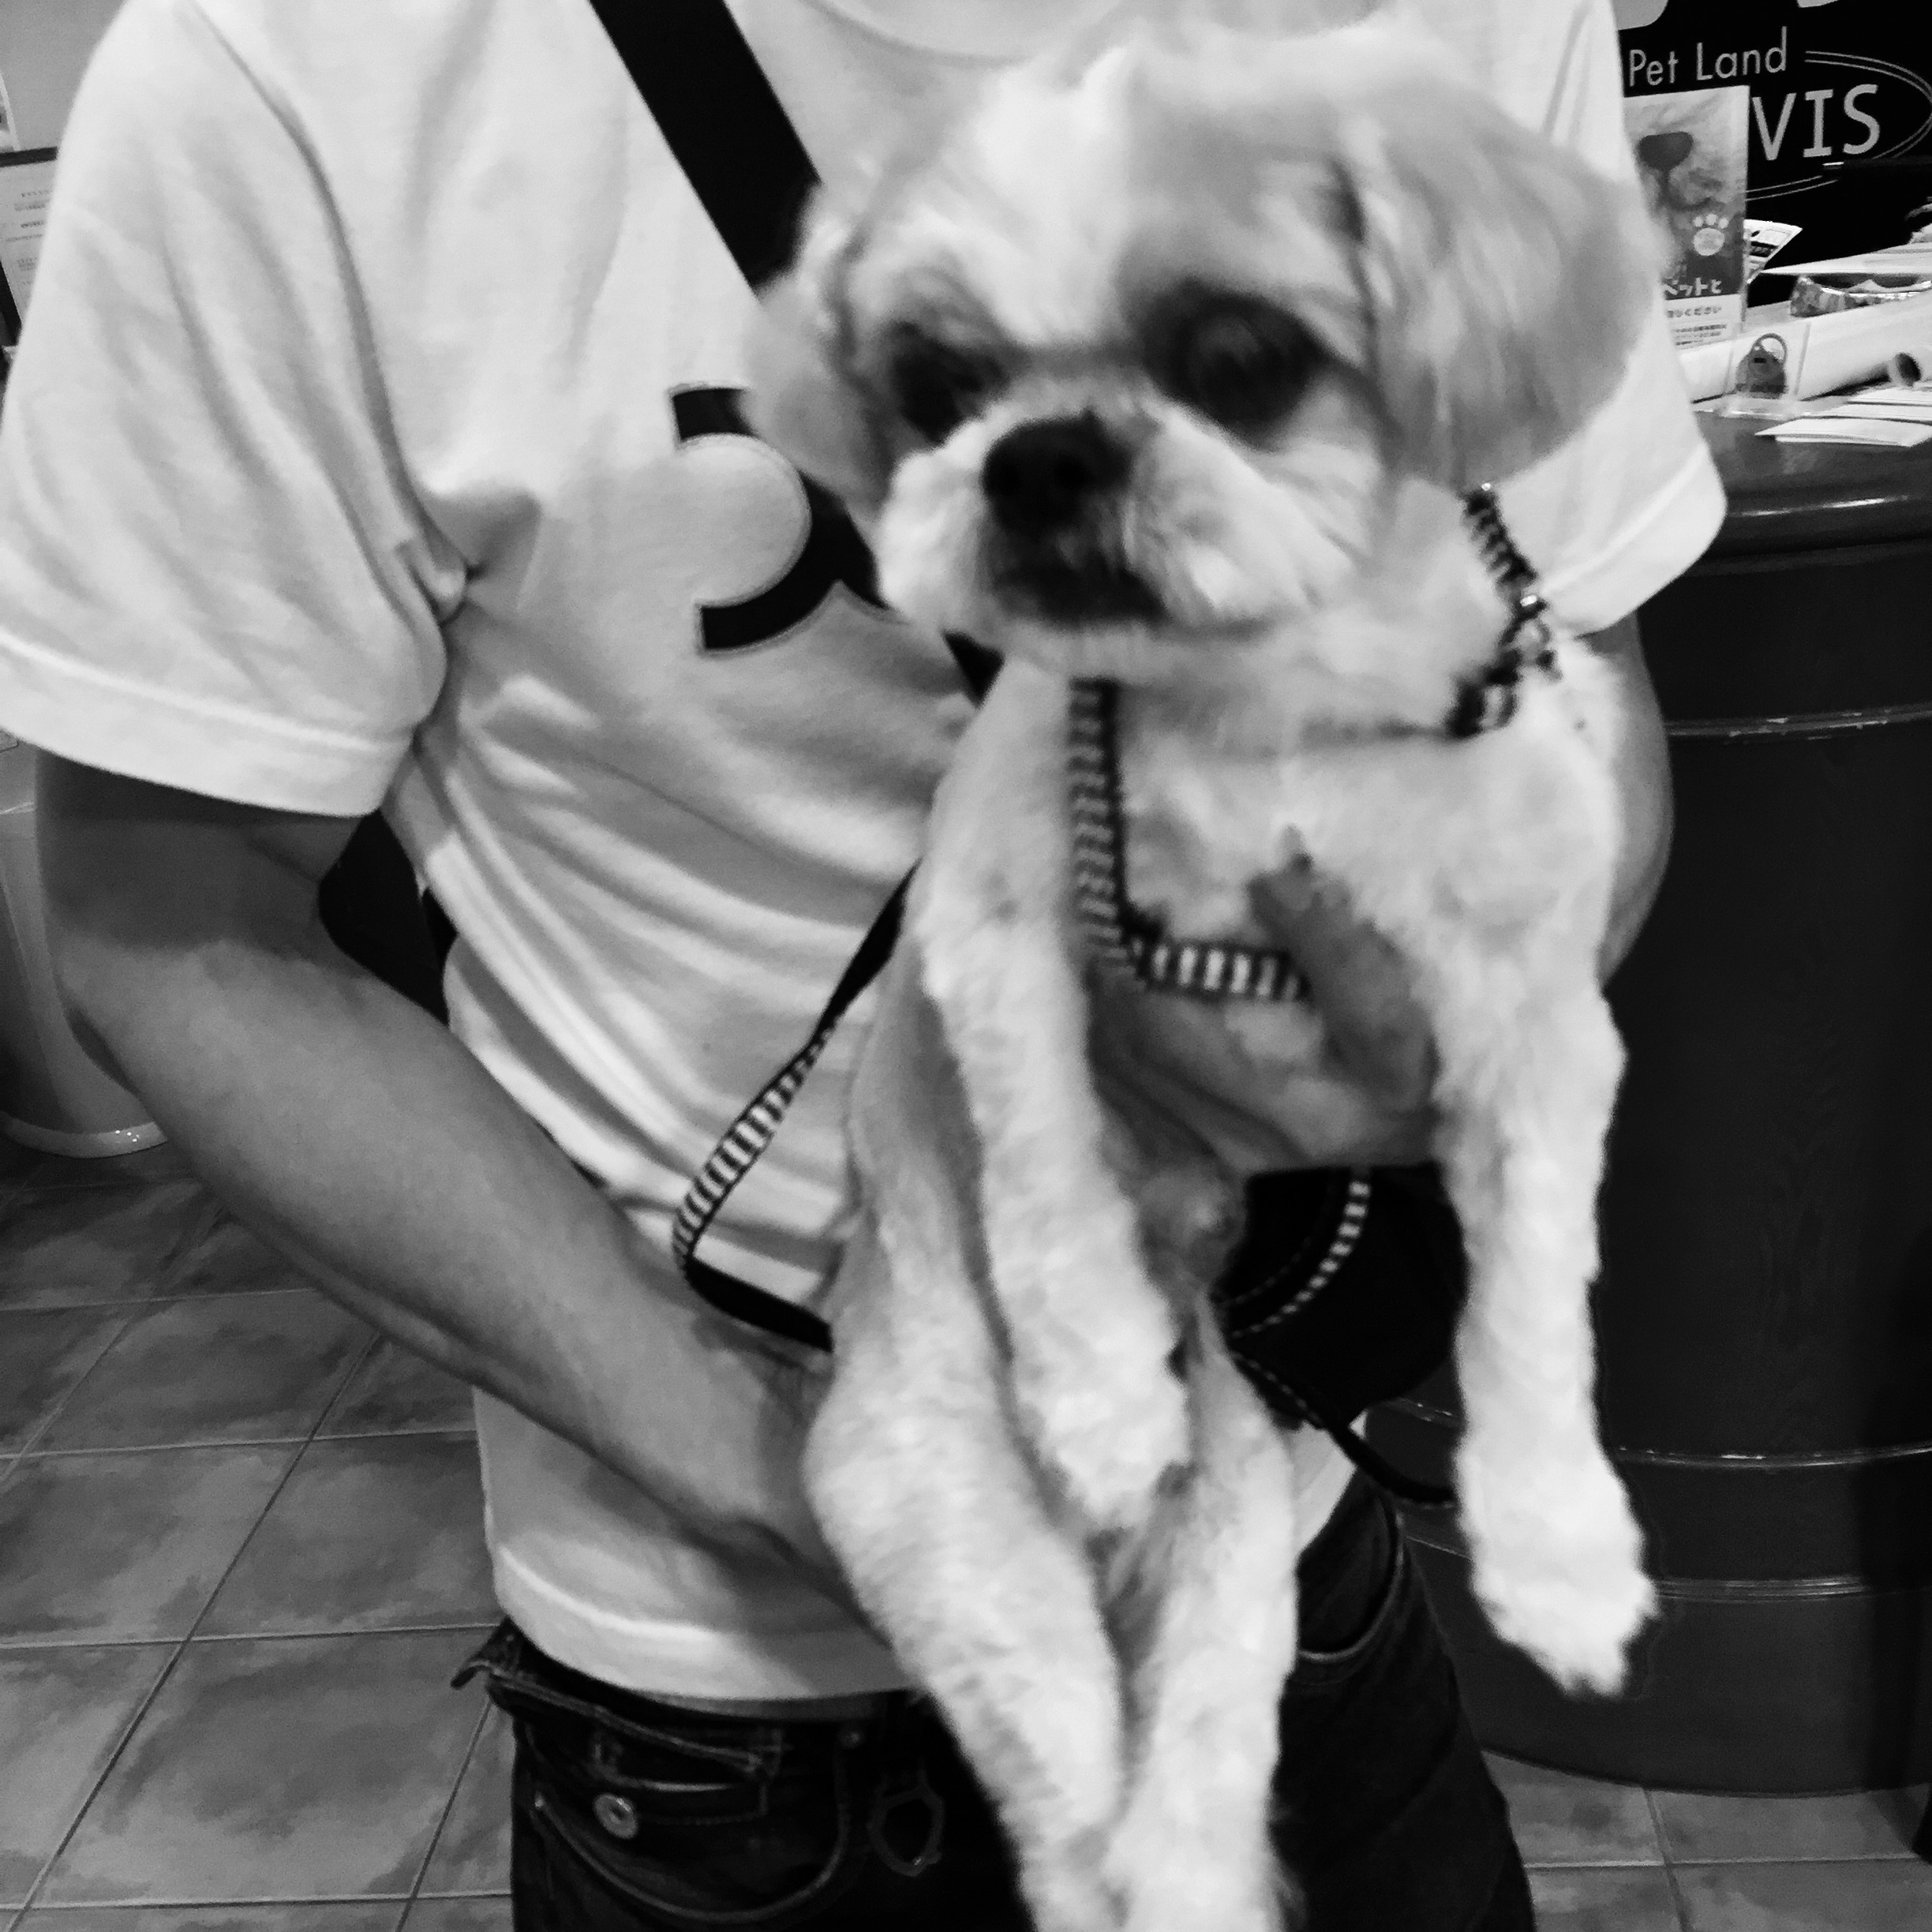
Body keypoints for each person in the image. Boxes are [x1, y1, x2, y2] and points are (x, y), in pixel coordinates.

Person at [0, 0, 1720, 1925]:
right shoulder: (288, 65)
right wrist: (780, 1467)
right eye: (942, 379)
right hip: (741, 1703)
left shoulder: (1454, 40)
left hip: (1292, 1523)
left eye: (1238, 362)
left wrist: (1444, 1023)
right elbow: (166, 929)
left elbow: (1581, 683)